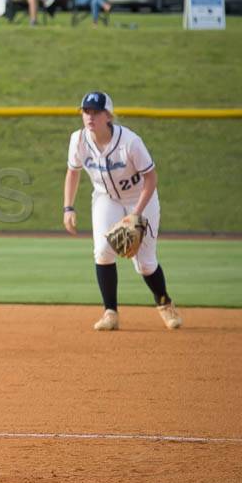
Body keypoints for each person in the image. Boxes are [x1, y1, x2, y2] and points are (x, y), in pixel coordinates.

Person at [62, 91, 182, 332]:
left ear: (109, 115)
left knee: (145, 264)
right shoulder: (78, 140)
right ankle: (110, 313)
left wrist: (136, 213)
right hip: (106, 198)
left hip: (140, 198)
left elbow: (151, 178)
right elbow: (73, 171)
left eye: (96, 112)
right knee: (103, 252)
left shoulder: (130, 142)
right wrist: (68, 207)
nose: (90, 117)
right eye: (86, 111)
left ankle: (164, 303)